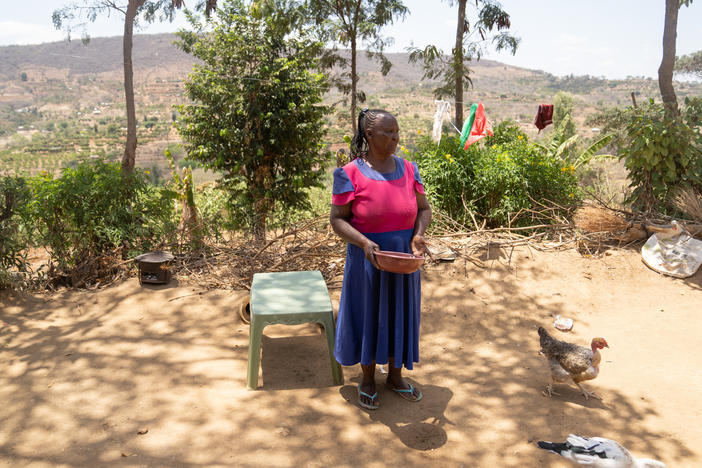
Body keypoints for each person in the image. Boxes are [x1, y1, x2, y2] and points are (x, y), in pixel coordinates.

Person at [330, 108, 432, 410]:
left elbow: (424, 209)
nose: (395, 137)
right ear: (370, 135)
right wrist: (363, 242)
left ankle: (396, 376)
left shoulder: (410, 169)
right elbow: (337, 219)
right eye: (388, 132)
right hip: (367, 260)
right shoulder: (348, 174)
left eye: (397, 131)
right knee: (368, 315)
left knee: (400, 313)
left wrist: (418, 234)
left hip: (404, 256)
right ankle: (368, 379)